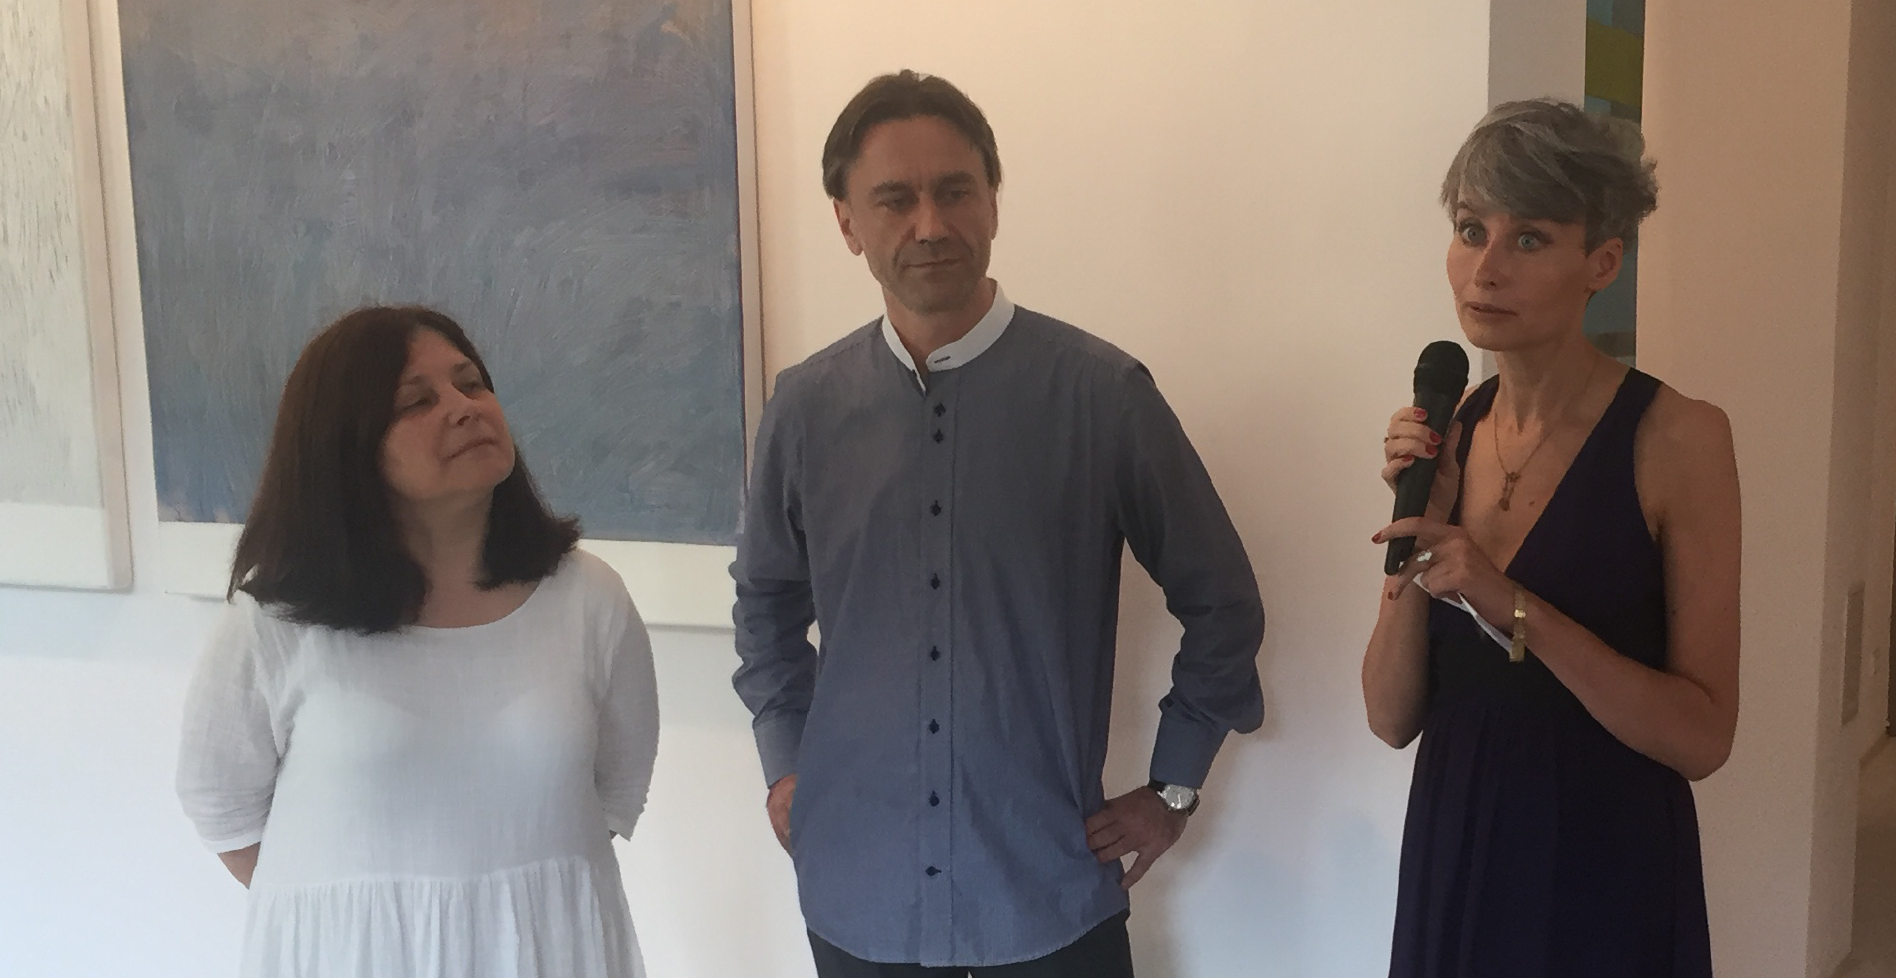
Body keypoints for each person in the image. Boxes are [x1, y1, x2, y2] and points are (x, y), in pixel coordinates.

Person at [731, 70, 1267, 977]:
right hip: (859, 902)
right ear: (847, 221)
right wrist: (785, 761)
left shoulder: (1103, 396)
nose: (929, 225)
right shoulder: (804, 409)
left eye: (955, 192)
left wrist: (1174, 785)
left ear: (992, 201)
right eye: (894, 199)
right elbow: (765, 605)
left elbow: (1222, 602)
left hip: (1047, 894)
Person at [1363, 99, 1744, 978]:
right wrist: (1420, 532)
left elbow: (1703, 738)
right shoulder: (1451, 428)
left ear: (1601, 262)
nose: (1485, 268)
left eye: (1528, 238)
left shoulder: (1678, 437)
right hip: (1457, 848)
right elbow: (1388, 717)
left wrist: (1509, 602)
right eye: (1471, 229)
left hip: (1603, 868)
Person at [177, 306, 659, 977]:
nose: (464, 408)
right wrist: (369, 920)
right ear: (347, 447)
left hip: (549, 952)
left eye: (472, 383)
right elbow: (223, 809)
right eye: (417, 401)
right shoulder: (279, 619)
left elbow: (615, 790)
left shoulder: (589, 597)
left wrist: (501, 908)